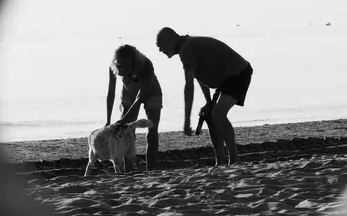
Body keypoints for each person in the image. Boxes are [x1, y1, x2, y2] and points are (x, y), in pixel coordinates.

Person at [155, 27, 253, 168]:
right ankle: (220, 161)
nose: (160, 50)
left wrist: (187, 119)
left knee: (218, 115)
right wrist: (208, 102)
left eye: (160, 45)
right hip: (225, 79)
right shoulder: (186, 47)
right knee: (209, 113)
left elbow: (189, 87)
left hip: (238, 73)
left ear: (170, 40)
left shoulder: (187, 49)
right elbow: (199, 77)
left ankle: (234, 159)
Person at [105, 44, 163, 171]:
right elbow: (110, 93)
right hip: (128, 90)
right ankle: (128, 171)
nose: (122, 70)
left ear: (134, 64)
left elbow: (139, 100)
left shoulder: (146, 66)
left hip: (150, 91)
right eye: (119, 66)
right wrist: (108, 120)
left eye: (126, 67)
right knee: (127, 133)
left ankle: (150, 170)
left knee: (152, 131)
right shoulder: (114, 66)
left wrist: (121, 122)